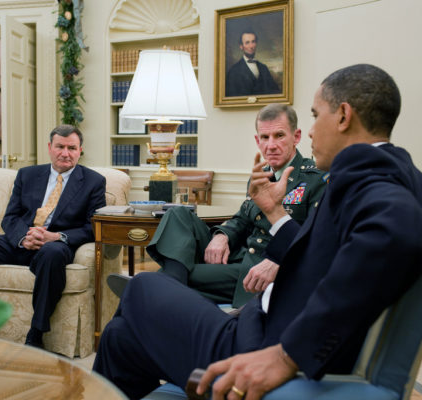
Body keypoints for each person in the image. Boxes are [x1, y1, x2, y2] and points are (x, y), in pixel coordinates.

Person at [93, 64, 422, 400]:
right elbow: (322, 253)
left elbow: (398, 233)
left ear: (343, 116)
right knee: (120, 337)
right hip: (257, 320)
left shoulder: (368, 176)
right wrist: (275, 212)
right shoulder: (392, 169)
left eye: (316, 116)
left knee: (141, 287)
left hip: (255, 344)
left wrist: (288, 355)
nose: (313, 130)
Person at [132, 104, 326, 308]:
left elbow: (314, 239)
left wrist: (278, 260)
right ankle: (168, 284)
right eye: (264, 137)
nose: (271, 145)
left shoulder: (315, 179)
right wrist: (221, 236)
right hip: (239, 254)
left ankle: (159, 286)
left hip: (261, 267)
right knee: (178, 213)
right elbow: (243, 218)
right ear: (257, 140)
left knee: (177, 274)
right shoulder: (260, 175)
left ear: (296, 137)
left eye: (279, 135)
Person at [0, 124, 106, 349]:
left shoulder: (93, 181)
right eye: (60, 146)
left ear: (80, 150)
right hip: (21, 241)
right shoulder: (28, 174)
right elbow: (10, 217)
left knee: (52, 254)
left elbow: (93, 227)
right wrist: (23, 237)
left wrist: (56, 236)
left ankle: (36, 334)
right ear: (49, 148)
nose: (65, 153)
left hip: (54, 246)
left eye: (72, 148)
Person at [226, 30, 281, 97]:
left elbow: (275, 92)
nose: (251, 46)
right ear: (241, 46)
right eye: (247, 43)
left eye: (253, 42)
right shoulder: (233, 71)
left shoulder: (263, 68)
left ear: (256, 43)